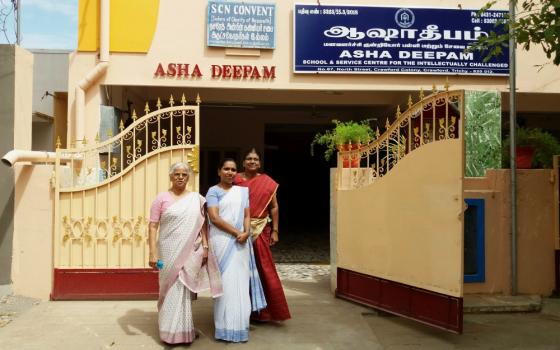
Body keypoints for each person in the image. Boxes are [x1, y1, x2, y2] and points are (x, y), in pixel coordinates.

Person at [148, 162, 222, 345]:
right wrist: (152, 252)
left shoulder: (196, 199)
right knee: (169, 287)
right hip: (168, 251)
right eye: (177, 174)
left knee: (183, 289)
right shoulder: (161, 198)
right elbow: (152, 225)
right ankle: (168, 332)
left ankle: (183, 330)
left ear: (188, 177)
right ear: (171, 176)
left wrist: (205, 247)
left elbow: (202, 225)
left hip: (190, 250)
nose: (180, 177)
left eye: (184, 174)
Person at [206, 158, 267, 342]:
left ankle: (239, 326)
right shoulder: (213, 191)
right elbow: (214, 218)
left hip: (241, 242)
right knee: (225, 284)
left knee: (240, 283)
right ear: (219, 171)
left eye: (233, 170)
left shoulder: (242, 191)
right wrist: (237, 232)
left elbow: (247, 215)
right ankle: (224, 328)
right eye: (226, 169)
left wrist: (246, 232)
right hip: (222, 241)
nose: (230, 172)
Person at [233, 148, 291, 322]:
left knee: (263, 269)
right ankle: (240, 311)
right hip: (237, 230)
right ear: (243, 162)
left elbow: (274, 206)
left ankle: (265, 312)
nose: (252, 161)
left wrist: (275, 230)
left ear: (259, 163)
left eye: (255, 159)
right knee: (238, 271)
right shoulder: (234, 180)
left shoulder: (267, 182)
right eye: (249, 159)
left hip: (260, 230)